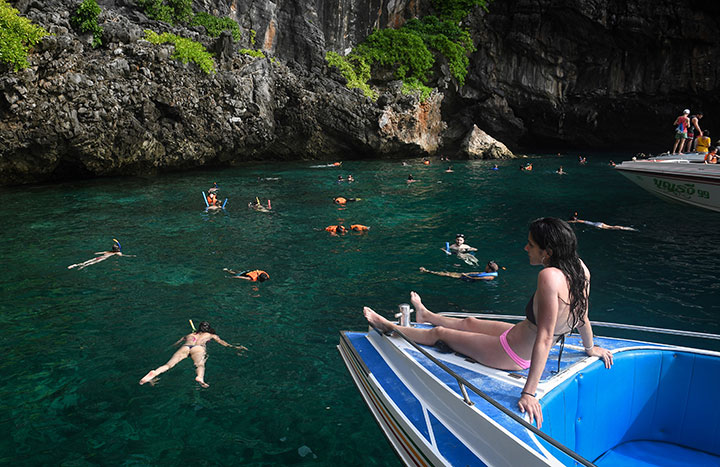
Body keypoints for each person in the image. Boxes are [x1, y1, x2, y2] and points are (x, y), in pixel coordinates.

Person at [363, 217, 613, 428]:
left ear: (547, 252)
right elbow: (582, 315)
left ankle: (390, 327)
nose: (526, 249)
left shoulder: (549, 276)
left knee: (440, 334)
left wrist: (528, 393)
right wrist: (590, 348)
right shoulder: (580, 267)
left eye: (531, 244)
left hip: (512, 354)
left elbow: (546, 337)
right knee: (469, 321)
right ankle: (425, 315)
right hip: (517, 335)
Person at [139, 321, 247, 388]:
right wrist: (235, 347)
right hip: (198, 349)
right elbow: (224, 344)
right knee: (199, 365)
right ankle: (200, 377)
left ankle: (155, 372)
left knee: (168, 365)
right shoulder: (211, 335)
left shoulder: (189, 334)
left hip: (185, 347)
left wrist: (167, 349)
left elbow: (176, 344)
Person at [68, 239, 134, 270]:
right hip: (102, 258)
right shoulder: (117, 253)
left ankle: (75, 265)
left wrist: (96, 253)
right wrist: (131, 256)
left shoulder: (108, 251)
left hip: (99, 257)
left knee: (87, 261)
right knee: (91, 263)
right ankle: (82, 267)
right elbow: (122, 255)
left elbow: (101, 252)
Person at [419, 261, 500, 281]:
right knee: (448, 273)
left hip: (466, 278)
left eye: (487, 266)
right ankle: (428, 271)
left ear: (489, 269)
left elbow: (476, 279)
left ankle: (427, 271)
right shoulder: (488, 273)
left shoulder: (489, 277)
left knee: (447, 275)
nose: (485, 266)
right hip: (466, 275)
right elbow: (478, 274)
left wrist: (466, 275)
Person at [568, 212, 637, 231]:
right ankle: (624, 227)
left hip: (597, 225)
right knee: (611, 227)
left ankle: (622, 228)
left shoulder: (578, 221)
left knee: (611, 228)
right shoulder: (580, 220)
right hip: (598, 223)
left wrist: (566, 222)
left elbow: (574, 221)